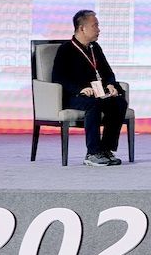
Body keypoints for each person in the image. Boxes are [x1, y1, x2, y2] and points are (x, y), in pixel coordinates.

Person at [51, 9, 128, 167]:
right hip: (74, 96)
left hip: (96, 94)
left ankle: (105, 150)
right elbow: (58, 78)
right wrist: (79, 89)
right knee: (93, 104)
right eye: (95, 26)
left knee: (119, 102)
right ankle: (92, 153)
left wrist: (111, 84)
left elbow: (108, 72)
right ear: (82, 28)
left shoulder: (95, 47)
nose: (98, 29)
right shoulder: (66, 49)